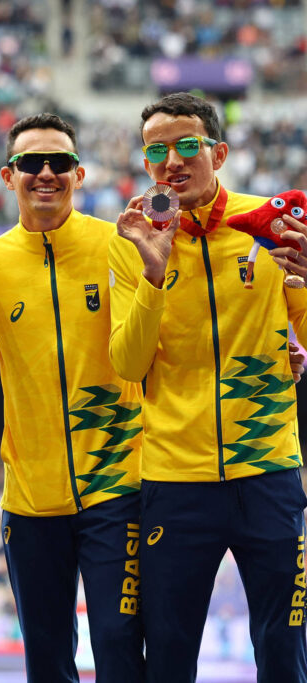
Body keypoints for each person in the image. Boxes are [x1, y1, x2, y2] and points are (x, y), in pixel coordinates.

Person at [0, 113, 144, 682]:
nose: (45, 173)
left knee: (120, 645)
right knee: (46, 660)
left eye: (59, 163)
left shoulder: (118, 244)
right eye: (31, 163)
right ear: (9, 176)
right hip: (28, 500)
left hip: (118, 486)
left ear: (79, 173)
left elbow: (155, 345)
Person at [109, 91, 307, 682]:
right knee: (168, 654)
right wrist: (153, 274)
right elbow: (127, 361)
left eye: (188, 144)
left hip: (268, 468)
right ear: (146, 164)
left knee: (284, 650)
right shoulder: (133, 236)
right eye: (157, 150)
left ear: (217, 153)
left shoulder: (271, 225)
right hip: (175, 480)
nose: (173, 159)